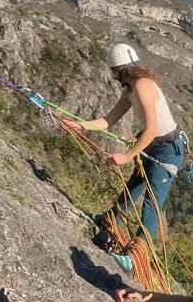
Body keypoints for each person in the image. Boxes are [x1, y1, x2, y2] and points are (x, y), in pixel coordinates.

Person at [64, 43, 185, 272]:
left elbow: (151, 129)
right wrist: (79, 125)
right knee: (134, 186)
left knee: (152, 203)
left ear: (117, 70)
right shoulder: (130, 90)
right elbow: (107, 120)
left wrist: (127, 156)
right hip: (155, 145)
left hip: (167, 148)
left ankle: (135, 257)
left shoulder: (142, 86)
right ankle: (110, 221)